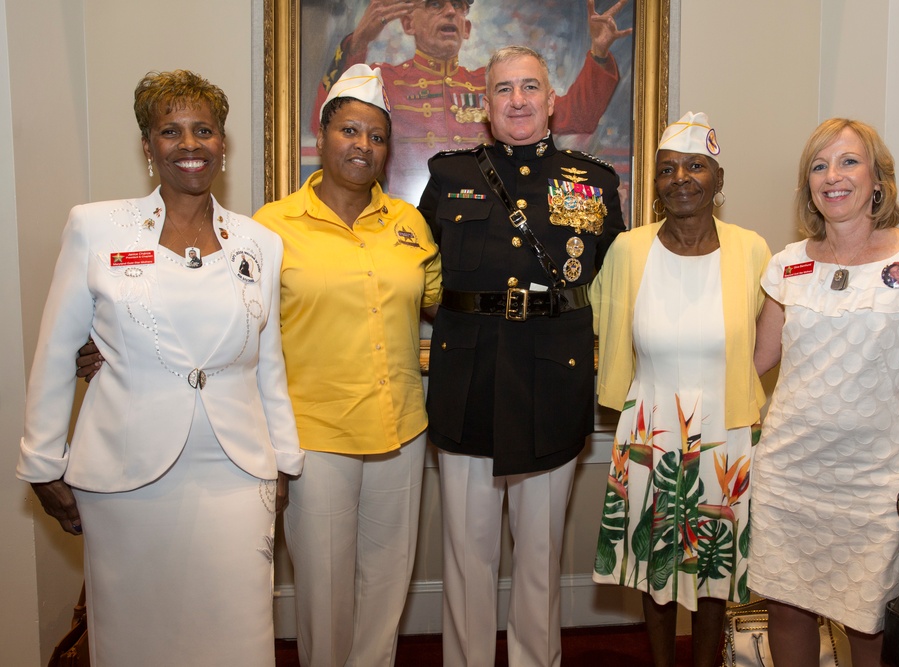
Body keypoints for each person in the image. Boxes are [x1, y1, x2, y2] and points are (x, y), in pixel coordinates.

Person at [17, 70, 304, 666]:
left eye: (204, 129)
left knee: (236, 635)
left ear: (223, 143)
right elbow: (53, 351)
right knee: (135, 638)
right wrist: (43, 462)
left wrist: (284, 460)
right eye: (169, 131)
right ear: (147, 146)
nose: (189, 144)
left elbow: (267, 361)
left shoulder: (260, 243)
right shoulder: (95, 227)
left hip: (238, 472)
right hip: (125, 474)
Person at [418, 45, 625, 666]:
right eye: (503, 89)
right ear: (485, 105)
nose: (517, 100)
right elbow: (420, 279)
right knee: (468, 555)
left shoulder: (594, 181)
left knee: (540, 557)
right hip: (468, 380)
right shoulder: (450, 175)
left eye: (529, 87)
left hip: (550, 383)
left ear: (552, 99)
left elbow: (616, 284)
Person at [750, 118, 899, 667]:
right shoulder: (787, 267)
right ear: (808, 187)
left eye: (848, 161)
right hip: (789, 478)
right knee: (786, 610)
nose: (833, 176)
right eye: (819, 166)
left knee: (870, 623)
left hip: (878, 488)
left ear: (878, 179)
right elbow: (753, 363)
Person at [253, 64, 442, 667]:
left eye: (376, 136)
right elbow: (229, 322)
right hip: (317, 437)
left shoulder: (410, 225)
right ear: (322, 133)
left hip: (401, 430)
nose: (363, 146)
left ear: (389, 149)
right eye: (349, 131)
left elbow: (447, 303)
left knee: (386, 586)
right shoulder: (270, 227)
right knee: (323, 592)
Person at [590, 112, 771, 667]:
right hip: (650, 426)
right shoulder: (628, 249)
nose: (681, 178)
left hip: (727, 430)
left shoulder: (752, 250)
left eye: (696, 166)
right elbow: (599, 319)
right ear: (656, 185)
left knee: (716, 570)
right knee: (654, 568)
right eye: (667, 169)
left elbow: (779, 338)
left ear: (718, 179)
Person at [312, 0, 633, 203]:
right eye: (436, 4)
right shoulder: (382, 79)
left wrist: (599, 54)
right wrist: (359, 41)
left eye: (459, 5)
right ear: (408, 24)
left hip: (476, 229)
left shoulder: (492, 87)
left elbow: (574, 116)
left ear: (466, 28)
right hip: (400, 228)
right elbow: (325, 121)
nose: (450, 11)